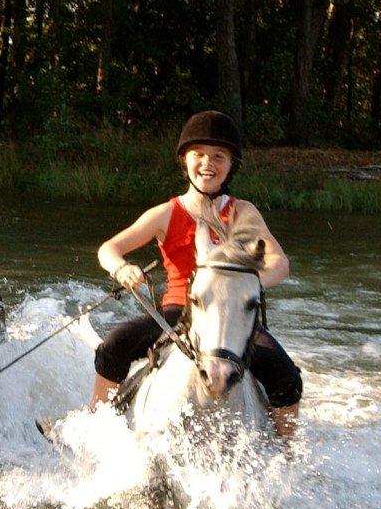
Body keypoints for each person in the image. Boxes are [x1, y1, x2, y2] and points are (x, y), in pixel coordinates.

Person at [90, 110, 303, 439]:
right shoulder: (166, 213)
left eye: (219, 156)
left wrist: (252, 282)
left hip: (234, 318)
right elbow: (109, 248)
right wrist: (122, 267)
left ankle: (286, 451)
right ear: (185, 161)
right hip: (180, 313)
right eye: (199, 155)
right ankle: (95, 428)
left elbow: (280, 262)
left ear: (231, 166)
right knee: (112, 346)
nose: (208, 163)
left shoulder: (243, 213)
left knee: (287, 376)